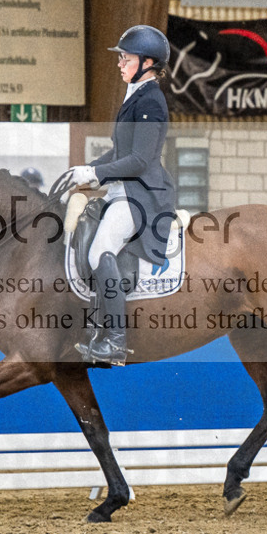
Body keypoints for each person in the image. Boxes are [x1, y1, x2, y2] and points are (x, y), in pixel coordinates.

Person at [67, 24, 177, 366]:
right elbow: (119, 152)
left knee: (101, 250)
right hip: (124, 190)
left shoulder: (151, 101)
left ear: (147, 62)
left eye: (125, 57)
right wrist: (84, 170)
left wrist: (97, 174)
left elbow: (141, 160)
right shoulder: (136, 96)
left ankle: (115, 339)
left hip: (142, 195)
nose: (120, 63)